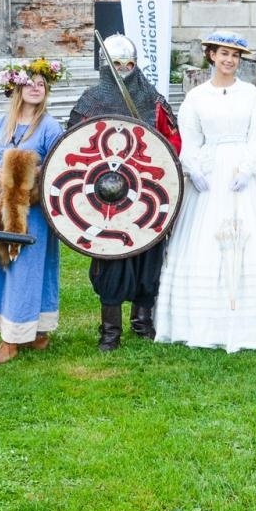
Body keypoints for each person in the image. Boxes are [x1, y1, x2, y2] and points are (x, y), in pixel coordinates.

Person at [155, 30, 256, 353]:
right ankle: (206, 320)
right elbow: (189, 139)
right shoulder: (196, 97)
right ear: (211, 55)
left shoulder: (250, 95)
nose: (229, 60)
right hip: (209, 171)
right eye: (223, 54)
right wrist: (193, 168)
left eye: (234, 56)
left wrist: (250, 168)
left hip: (246, 172)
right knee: (203, 242)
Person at [67, 34, 179, 349]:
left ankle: (142, 323)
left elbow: (172, 142)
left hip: (146, 191)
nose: (124, 70)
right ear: (107, 66)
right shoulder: (91, 101)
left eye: (129, 64)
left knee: (148, 256)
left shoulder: (152, 100)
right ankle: (110, 332)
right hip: (105, 196)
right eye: (117, 64)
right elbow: (73, 147)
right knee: (111, 257)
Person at [0, 59, 66, 364]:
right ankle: (20, 330)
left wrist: (28, 174)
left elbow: (60, 164)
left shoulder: (50, 126)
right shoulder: (3, 125)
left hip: (34, 212)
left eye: (41, 84)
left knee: (30, 269)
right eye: (30, 83)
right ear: (17, 87)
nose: (35, 88)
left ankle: (18, 338)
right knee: (4, 264)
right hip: (2, 208)